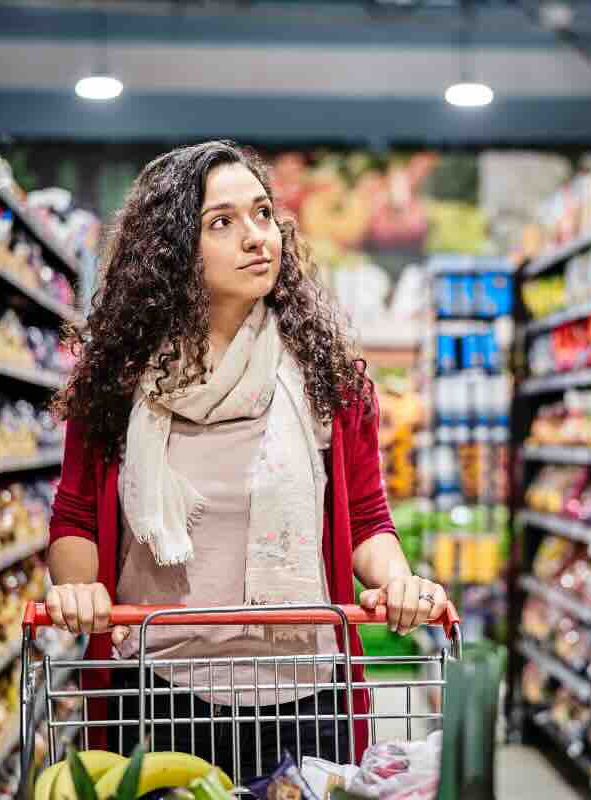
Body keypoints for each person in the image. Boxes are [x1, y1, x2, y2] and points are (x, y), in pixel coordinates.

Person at [44, 140, 448, 780]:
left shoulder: (327, 378)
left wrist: (395, 579)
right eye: (221, 223)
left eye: (263, 214)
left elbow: (366, 516)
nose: (256, 237)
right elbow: (73, 516)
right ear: (171, 250)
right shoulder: (118, 386)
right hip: (158, 691)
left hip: (305, 695)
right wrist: (78, 588)